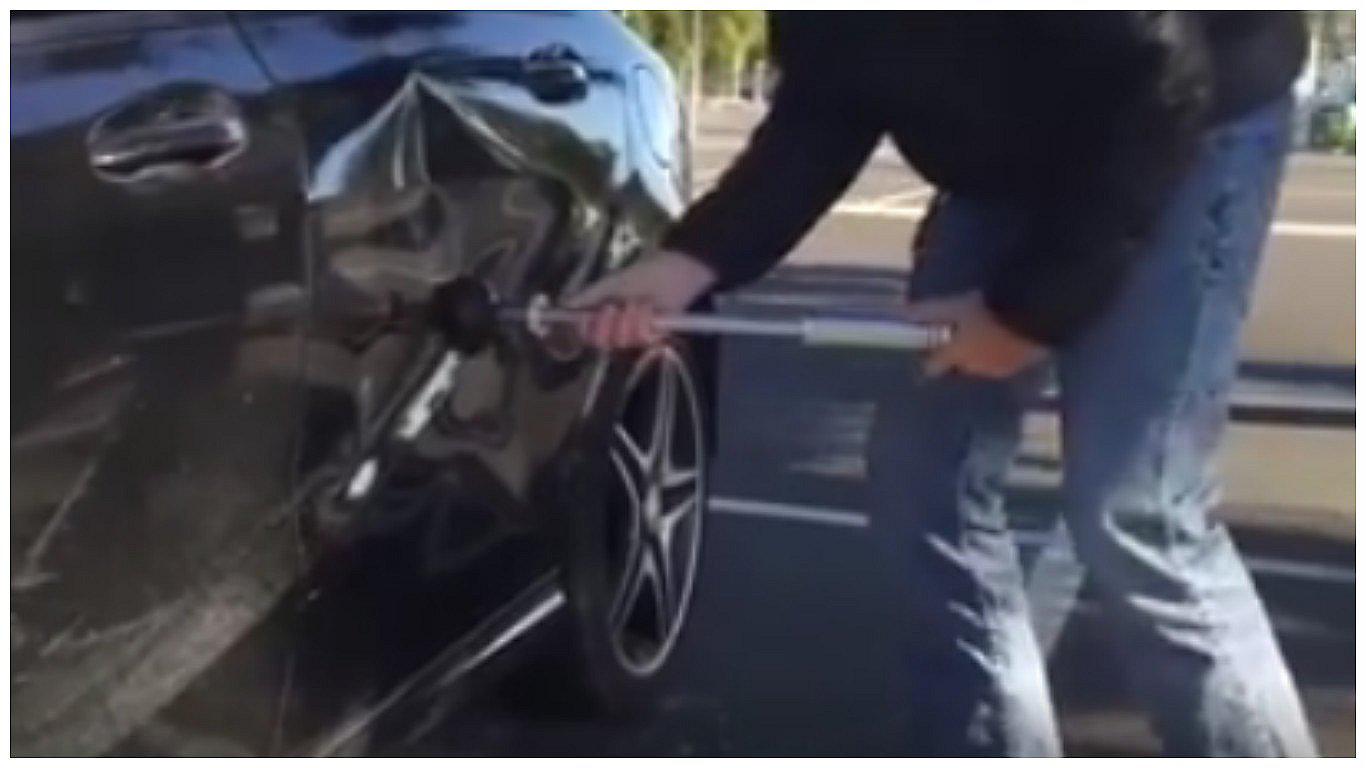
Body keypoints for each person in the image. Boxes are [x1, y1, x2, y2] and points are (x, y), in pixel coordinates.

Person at [570, 11, 1314, 757]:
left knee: (1136, 508)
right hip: (1006, 146)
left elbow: (1162, 76)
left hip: (1182, 116)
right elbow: (828, 101)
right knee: (925, 477)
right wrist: (689, 263)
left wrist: (1027, 314)